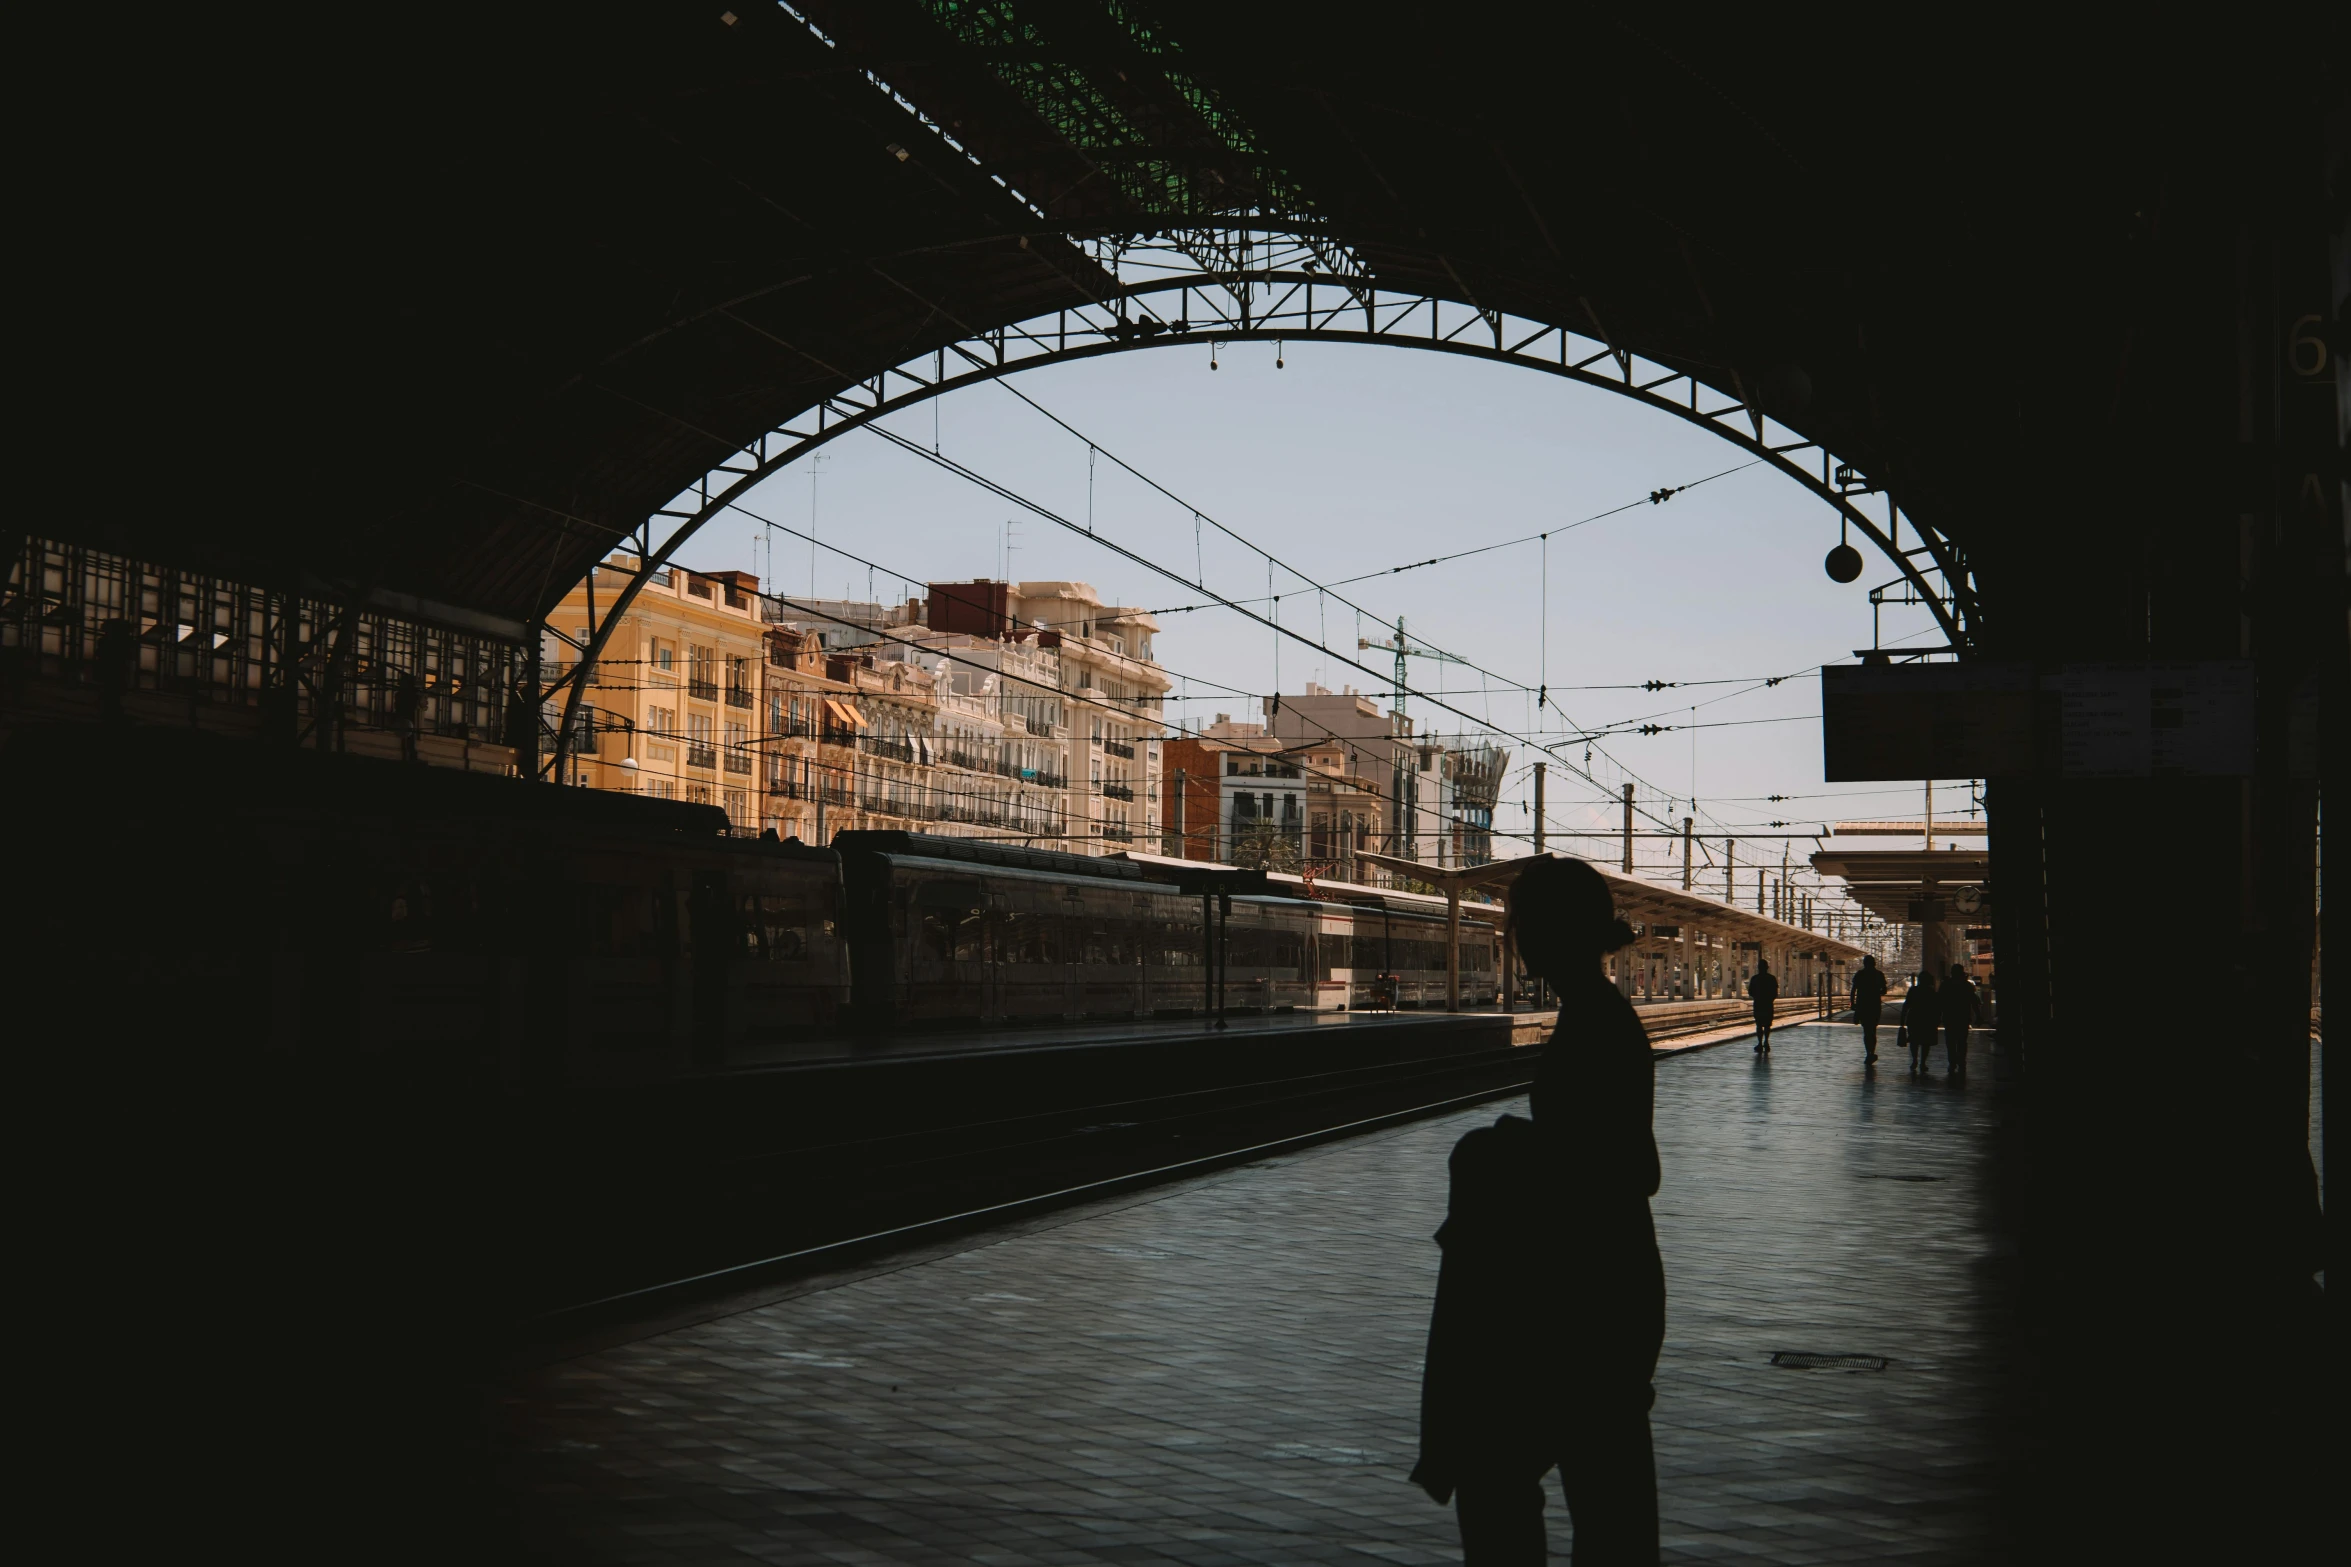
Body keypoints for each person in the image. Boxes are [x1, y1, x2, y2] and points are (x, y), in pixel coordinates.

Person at [1415, 856, 1664, 1564]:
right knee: (1600, 1492)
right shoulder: (1595, 1012)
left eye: (1519, 921)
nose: (1512, 934)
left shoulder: (1597, 1021)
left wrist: (1501, 1150)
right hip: (1601, 1286)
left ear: (1551, 930)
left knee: (1505, 1475)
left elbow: (1627, 1167)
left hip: (1587, 1296)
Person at [1939, 961, 1977, 1080]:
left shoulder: (1946, 985)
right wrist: (1978, 1015)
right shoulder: (1967, 986)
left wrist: (1937, 1016)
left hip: (1949, 1017)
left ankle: (1952, 1062)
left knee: (1950, 1041)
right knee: (1962, 1041)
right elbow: (1973, 1001)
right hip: (1963, 1017)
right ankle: (1961, 1061)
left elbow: (1939, 1001)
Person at [1900, 969, 1939, 1074]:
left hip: (1914, 1018)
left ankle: (1914, 1060)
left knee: (1914, 1041)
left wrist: (1902, 1019)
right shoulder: (1931, 992)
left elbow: (1906, 1005)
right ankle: (1923, 1062)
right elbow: (1936, 1007)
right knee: (1925, 1042)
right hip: (1927, 1019)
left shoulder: (1913, 990)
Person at [1851, 955, 1887, 1064]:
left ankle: (1868, 1053)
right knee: (1873, 1030)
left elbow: (1853, 990)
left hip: (1863, 1005)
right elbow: (1884, 990)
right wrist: (1876, 992)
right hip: (1875, 1005)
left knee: (1866, 1031)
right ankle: (1872, 1052)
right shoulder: (1879, 974)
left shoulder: (1860, 974)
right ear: (1874, 963)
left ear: (1864, 963)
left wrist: (1852, 1003)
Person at [1747, 959, 1780, 1054]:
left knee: (1758, 1025)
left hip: (1758, 1004)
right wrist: (1769, 1000)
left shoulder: (1754, 978)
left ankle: (1759, 1043)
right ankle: (1766, 1041)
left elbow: (1750, 992)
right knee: (1767, 1025)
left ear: (1758, 968)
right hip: (1768, 1005)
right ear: (1767, 968)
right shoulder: (1772, 978)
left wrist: (1757, 998)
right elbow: (1775, 993)